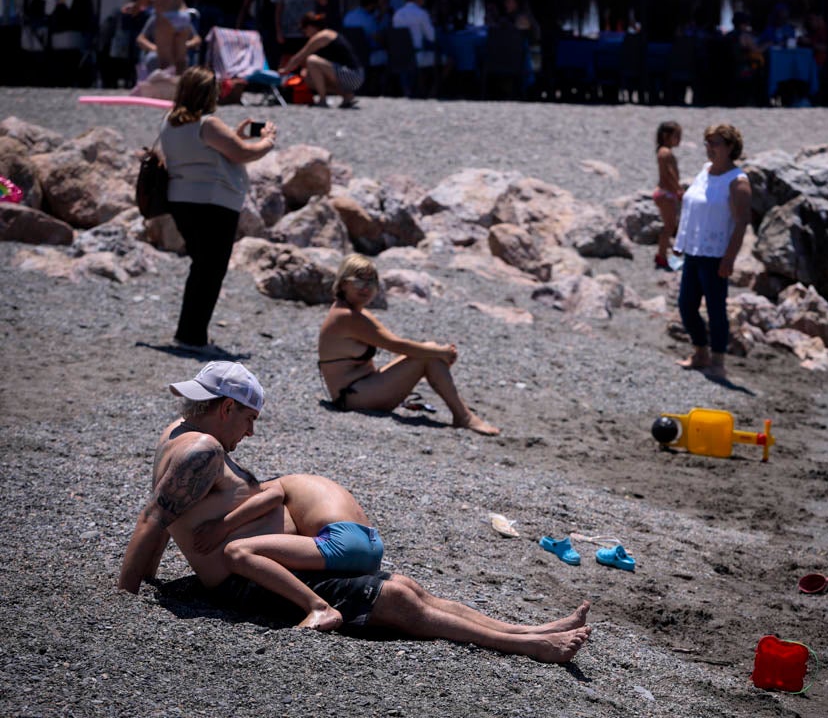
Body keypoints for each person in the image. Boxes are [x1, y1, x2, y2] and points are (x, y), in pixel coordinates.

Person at [118, 361, 590, 663]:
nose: (250, 433)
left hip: (269, 567)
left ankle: (529, 628)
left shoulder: (180, 430)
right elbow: (153, 519)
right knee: (398, 601)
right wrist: (126, 596)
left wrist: (157, 581)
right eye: (249, 419)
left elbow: (166, 513)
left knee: (405, 587)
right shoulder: (201, 450)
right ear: (225, 408)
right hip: (251, 581)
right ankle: (529, 646)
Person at [159, 66, 277, 349]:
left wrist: (234, 137)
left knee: (202, 267)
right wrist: (268, 140)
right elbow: (243, 153)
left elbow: (215, 151)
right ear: (208, 92)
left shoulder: (169, 122)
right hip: (213, 202)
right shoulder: (207, 123)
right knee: (210, 271)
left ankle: (188, 332)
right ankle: (191, 336)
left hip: (182, 200)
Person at [318, 254, 500, 435]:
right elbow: (395, 345)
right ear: (343, 284)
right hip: (353, 398)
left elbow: (394, 340)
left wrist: (435, 351)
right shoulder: (346, 317)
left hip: (360, 389)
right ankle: (464, 417)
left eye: (371, 282)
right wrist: (440, 352)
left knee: (429, 351)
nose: (366, 288)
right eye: (358, 282)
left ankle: (463, 415)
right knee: (428, 355)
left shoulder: (356, 313)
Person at [192, 472, 384, 631]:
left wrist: (223, 526)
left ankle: (318, 607)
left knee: (238, 552)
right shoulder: (307, 481)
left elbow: (274, 498)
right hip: (372, 546)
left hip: (340, 540)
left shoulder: (276, 483)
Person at [673, 124, 752, 381]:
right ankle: (700, 352)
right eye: (708, 143)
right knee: (686, 305)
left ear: (730, 147)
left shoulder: (738, 182)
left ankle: (718, 361)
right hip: (694, 250)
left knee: (716, 308)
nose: (710, 148)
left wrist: (729, 257)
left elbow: (741, 223)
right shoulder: (705, 171)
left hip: (716, 253)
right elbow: (692, 205)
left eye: (716, 143)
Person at [280, 12, 363, 109]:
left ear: (311, 26)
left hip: (353, 76)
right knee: (307, 77)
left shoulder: (323, 36)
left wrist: (284, 70)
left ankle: (322, 100)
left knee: (311, 60)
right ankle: (347, 96)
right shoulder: (326, 35)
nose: (305, 34)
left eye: (304, 30)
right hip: (352, 76)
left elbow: (301, 55)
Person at [392, 0, 437, 95]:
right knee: (448, 60)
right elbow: (432, 37)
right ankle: (431, 92)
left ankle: (415, 89)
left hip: (400, 56)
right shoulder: (421, 13)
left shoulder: (397, 14)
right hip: (416, 56)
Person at [651, 121, 683, 270]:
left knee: (669, 225)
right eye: (677, 136)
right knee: (669, 226)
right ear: (666, 136)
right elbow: (669, 174)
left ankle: (661, 254)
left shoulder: (663, 151)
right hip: (666, 193)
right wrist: (678, 189)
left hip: (664, 192)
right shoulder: (666, 152)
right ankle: (661, 256)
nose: (679, 139)